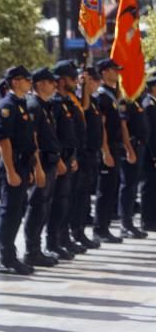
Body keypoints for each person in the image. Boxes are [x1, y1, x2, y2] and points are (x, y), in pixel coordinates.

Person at [0, 66, 37, 275]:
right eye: (26, 79)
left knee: (17, 210)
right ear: (15, 82)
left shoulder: (21, 104)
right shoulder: (7, 105)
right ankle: (6, 258)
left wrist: (28, 167)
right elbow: (4, 140)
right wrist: (11, 170)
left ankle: (11, 255)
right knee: (9, 212)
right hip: (12, 165)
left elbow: (27, 140)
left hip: (22, 164)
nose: (30, 82)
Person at [93, 58, 136, 244]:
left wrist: (128, 148)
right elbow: (101, 127)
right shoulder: (102, 97)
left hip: (116, 146)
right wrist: (105, 151)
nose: (117, 72)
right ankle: (99, 229)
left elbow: (122, 125)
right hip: (107, 147)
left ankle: (105, 227)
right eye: (113, 70)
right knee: (104, 189)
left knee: (111, 188)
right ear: (103, 72)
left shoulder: (114, 95)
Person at [23, 67, 60, 267]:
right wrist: (37, 167)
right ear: (40, 84)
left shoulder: (46, 106)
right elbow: (33, 138)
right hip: (42, 163)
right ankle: (31, 250)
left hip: (51, 161)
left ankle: (36, 249)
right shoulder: (34, 105)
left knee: (43, 207)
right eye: (51, 81)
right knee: (37, 206)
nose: (55, 85)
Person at [47, 60, 84, 258]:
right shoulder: (54, 103)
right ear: (61, 80)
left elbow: (74, 134)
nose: (75, 82)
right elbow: (53, 135)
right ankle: (52, 242)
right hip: (58, 159)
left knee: (65, 202)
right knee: (56, 203)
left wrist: (74, 156)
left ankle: (63, 239)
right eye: (72, 78)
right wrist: (60, 159)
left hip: (70, 157)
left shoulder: (68, 102)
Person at [70, 67, 103, 249]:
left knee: (84, 196)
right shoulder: (78, 101)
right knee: (77, 195)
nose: (94, 84)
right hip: (82, 154)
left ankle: (80, 230)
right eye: (90, 80)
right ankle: (74, 231)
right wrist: (82, 87)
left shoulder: (95, 101)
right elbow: (85, 107)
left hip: (91, 153)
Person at [121, 91, 149, 239]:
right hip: (132, 146)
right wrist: (129, 150)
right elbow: (123, 126)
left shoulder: (138, 99)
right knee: (128, 186)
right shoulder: (127, 100)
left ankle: (129, 222)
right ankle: (125, 224)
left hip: (140, 146)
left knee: (132, 188)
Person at [141, 76, 156, 231]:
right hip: (150, 153)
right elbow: (152, 134)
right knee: (149, 186)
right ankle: (148, 221)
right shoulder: (149, 104)